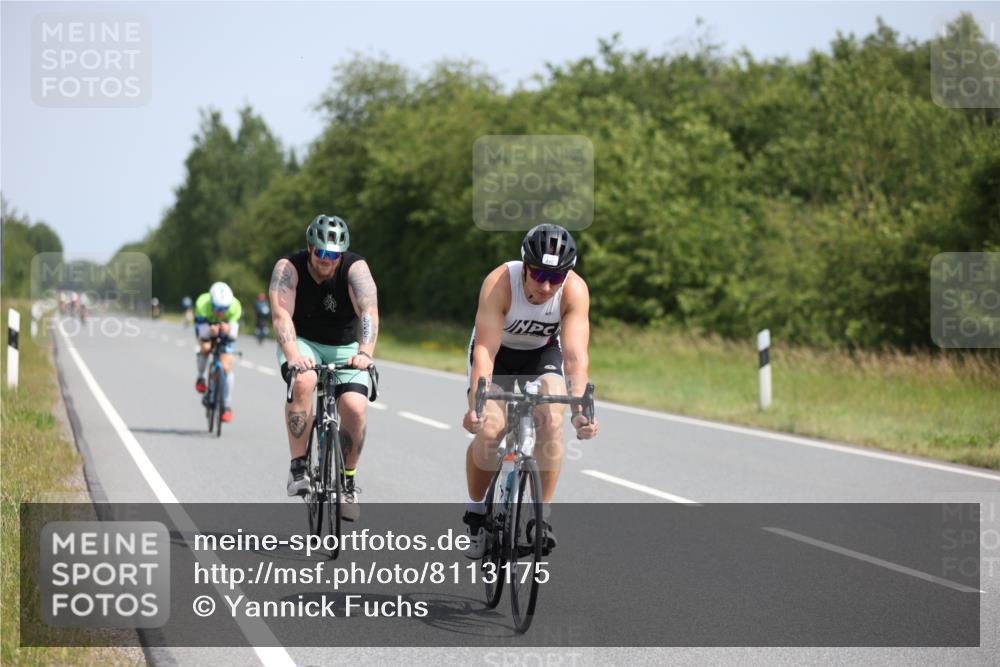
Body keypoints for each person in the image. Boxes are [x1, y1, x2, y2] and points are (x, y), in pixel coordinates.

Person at [462, 224, 599, 558]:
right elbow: (485, 352)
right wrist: (476, 406)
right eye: (538, 274)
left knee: (552, 418)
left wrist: (580, 412)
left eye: (557, 276)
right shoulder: (500, 283)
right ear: (525, 267)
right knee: (492, 428)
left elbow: (575, 356)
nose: (547, 285)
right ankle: (476, 512)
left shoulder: (574, 291)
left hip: (542, 354)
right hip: (498, 353)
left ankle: (540, 517)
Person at [269, 214, 379, 520]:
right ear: (310, 248)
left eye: (333, 255)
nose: (326, 260)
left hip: (345, 346)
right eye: (320, 253)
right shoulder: (288, 269)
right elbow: (281, 316)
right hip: (303, 342)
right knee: (303, 382)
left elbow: (369, 313)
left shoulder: (355, 269)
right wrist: (293, 355)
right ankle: (298, 467)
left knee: (355, 407)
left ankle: (348, 481)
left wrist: (365, 353)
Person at [193, 282, 242, 423]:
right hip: (206, 327)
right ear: (211, 302)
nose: (220, 312)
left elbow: (234, 335)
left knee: (226, 367)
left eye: (224, 309)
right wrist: (210, 332)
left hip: (224, 331)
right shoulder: (202, 304)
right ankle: (201, 377)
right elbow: (202, 333)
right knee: (206, 348)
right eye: (217, 308)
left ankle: (226, 405)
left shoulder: (235, 306)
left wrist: (228, 331)